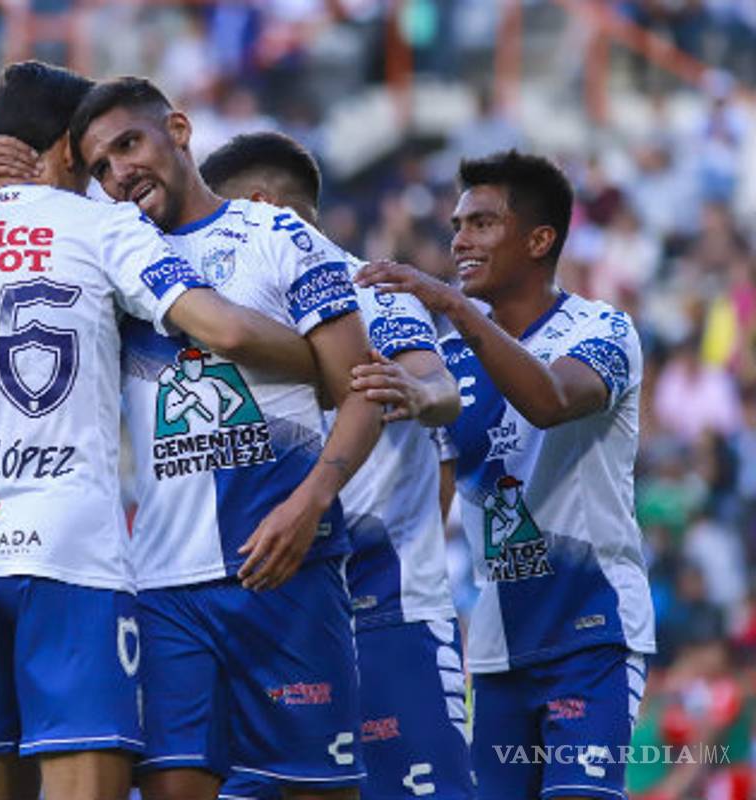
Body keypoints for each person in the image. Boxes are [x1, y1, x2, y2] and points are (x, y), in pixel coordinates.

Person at [0, 61, 321, 800]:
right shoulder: (98, 225)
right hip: (69, 553)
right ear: (67, 148)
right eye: (93, 159)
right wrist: (336, 364)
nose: (106, 177)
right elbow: (220, 326)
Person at [70, 78, 384, 800]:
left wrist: (310, 504)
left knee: (319, 790)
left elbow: (365, 394)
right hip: (166, 586)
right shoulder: (113, 264)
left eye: (129, 144)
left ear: (177, 130)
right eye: (101, 167)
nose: (120, 173)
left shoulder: (280, 235)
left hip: (289, 571)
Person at [355, 150, 655, 800]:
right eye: (458, 224)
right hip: (494, 648)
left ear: (540, 239)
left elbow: (548, 401)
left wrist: (453, 308)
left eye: (483, 223)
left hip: (593, 633)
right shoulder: (448, 361)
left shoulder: (602, 329)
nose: (459, 238)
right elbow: (432, 487)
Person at [200, 131, 474, 800]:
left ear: (266, 209)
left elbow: (438, 389)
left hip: (388, 621)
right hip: (275, 621)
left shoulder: (372, 293)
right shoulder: (221, 319)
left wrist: (420, 395)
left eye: (218, 215)